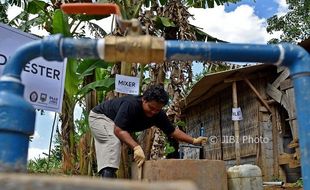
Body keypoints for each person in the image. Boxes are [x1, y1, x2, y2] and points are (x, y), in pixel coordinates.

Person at [88, 84, 208, 178]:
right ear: (144, 100)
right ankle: (107, 181)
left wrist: (193, 140)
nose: (153, 112)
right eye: (151, 108)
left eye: (157, 109)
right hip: (100, 117)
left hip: (115, 124)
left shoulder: (158, 114)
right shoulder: (131, 105)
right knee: (113, 142)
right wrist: (136, 147)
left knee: (122, 149)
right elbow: (119, 130)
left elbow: (172, 131)